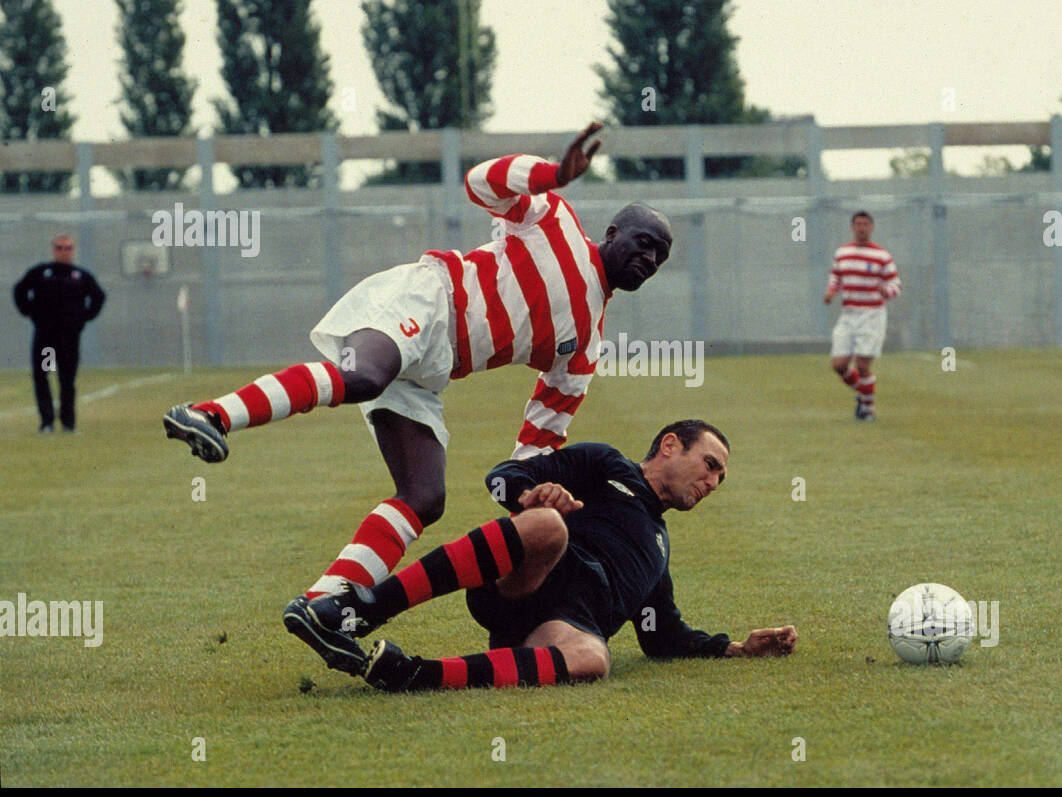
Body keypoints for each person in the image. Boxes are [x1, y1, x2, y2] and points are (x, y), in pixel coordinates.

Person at [161, 122, 676, 622]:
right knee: (363, 376)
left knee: (426, 497)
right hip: (428, 299)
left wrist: (533, 490)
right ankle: (210, 414)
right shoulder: (555, 220)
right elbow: (480, 181)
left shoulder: (586, 348)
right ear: (612, 233)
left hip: (434, 369)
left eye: (660, 256)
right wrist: (551, 175)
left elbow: (540, 441)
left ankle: (325, 603)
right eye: (643, 242)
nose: (649, 258)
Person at [287, 419, 797, 689]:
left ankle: (412, 675)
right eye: (709, 465)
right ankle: (356, 611)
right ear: (669, 445)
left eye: (720, 479)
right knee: (548, 525)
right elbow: (505, 475)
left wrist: (737, 649)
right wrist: (526, 497)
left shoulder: (659, 548)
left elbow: (662, 639)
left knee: (595, 659)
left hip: (560, 626)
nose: (712, 482)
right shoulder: (607, 465)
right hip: (527, 576)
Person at [12, 234, 106, 433]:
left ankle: (68, 423)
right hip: (47, 340)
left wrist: (83, 317)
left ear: (73, 250)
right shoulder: (41, 273)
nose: (64, 251)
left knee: (67, 379)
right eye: (60, 247)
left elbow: (98, 296)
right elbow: (20, 290)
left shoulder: (80, 276)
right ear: (54, 249)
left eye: (68, 248)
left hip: (68, 339)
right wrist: (30, 312)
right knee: (43, 376)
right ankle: (46, 422)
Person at [823, 211, 900, 420]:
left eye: (866, 224)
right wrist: (831, 291)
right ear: (852, 227)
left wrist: (887, 291)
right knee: (838, 364)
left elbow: (895, 285)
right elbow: (836, 277)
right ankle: (865, 394)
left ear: (872, 227)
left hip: (872, 314)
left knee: (863, 365)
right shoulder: (842, 253)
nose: (862, 228)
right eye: (858, 224)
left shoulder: (881, 256)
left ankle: (867, 410)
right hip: (848, 314)